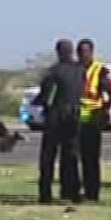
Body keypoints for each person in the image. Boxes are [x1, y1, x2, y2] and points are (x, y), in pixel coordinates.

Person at [34, 39, 85, 205]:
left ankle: (45, 193)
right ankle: (72, 191)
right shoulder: (80, 70)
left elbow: (46, 95)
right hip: (75, 113)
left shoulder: (54, 72)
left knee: (49, 154)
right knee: (71, 154)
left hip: (57, 114)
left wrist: (40, 104)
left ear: (58, 52)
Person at [75, 38, 111, 202]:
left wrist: (104, 111)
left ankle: (93, 192)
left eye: (86, 52)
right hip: (77, 118)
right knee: (76, 157)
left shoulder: (100, 70)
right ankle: (77, 189)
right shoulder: (75, 69)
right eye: (80, 52)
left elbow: (110, 93)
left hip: (93, 118)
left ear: (92, 52)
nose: (83, 55)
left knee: (91, 157)